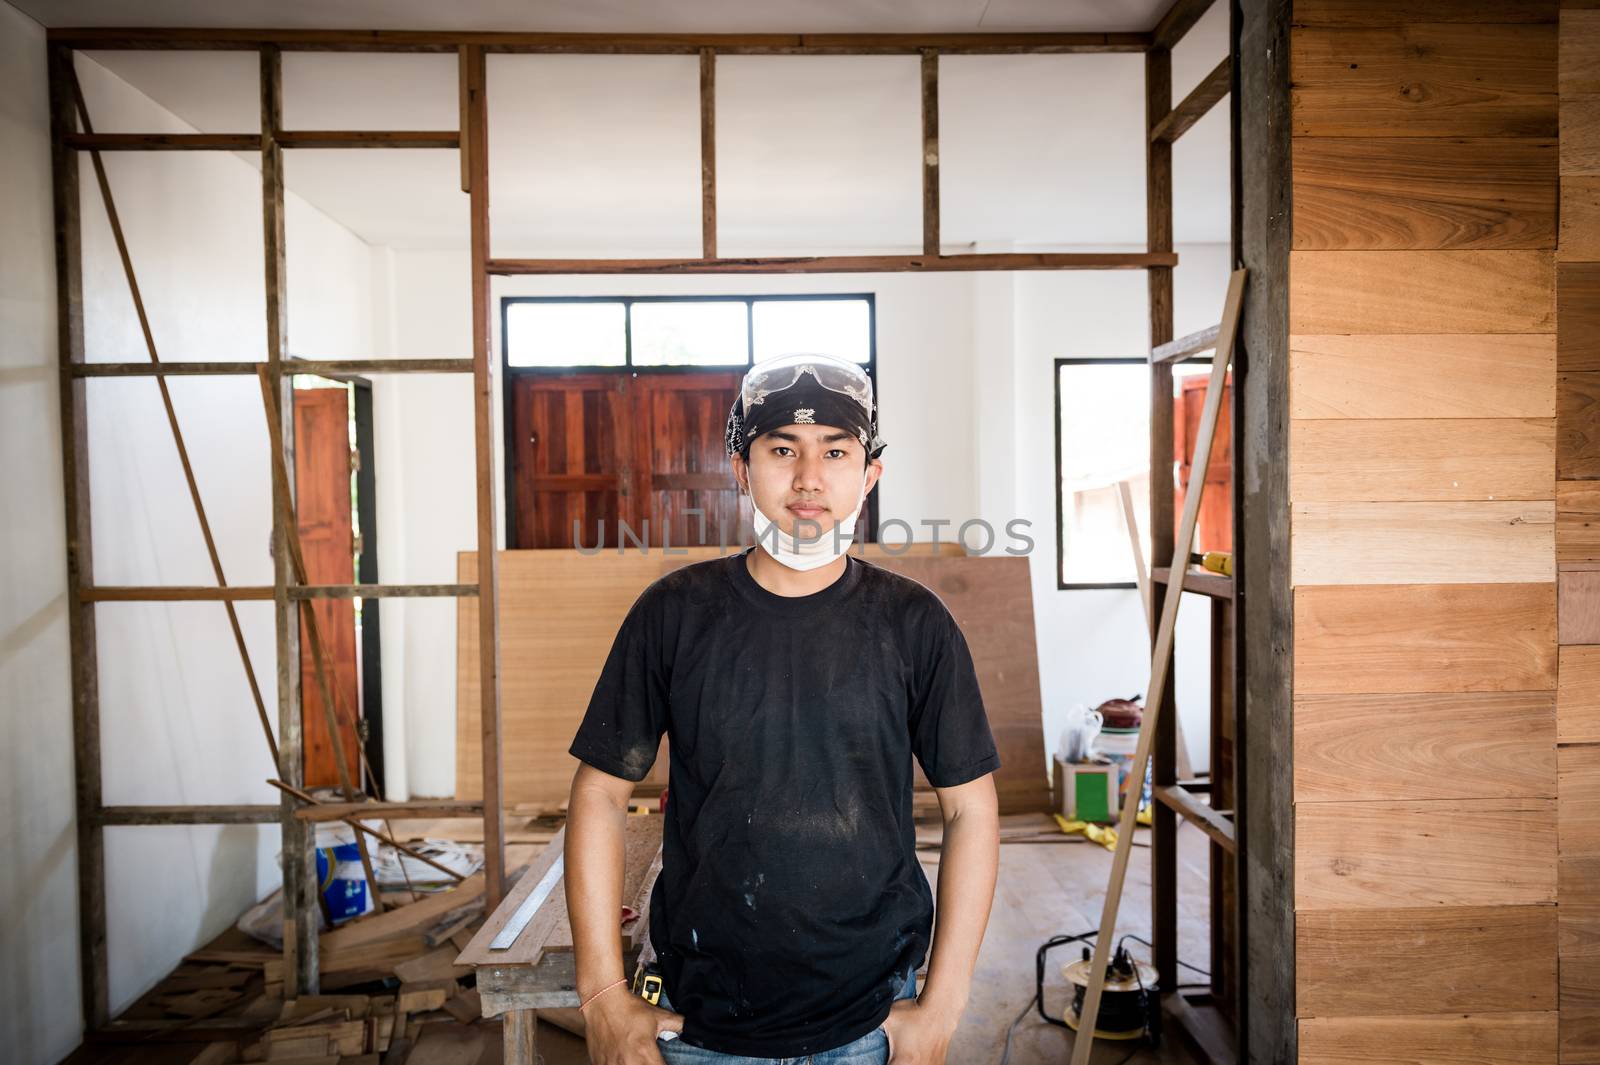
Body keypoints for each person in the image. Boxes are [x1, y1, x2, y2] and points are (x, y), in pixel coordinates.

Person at [564, 353, 1002, 1065]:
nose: (808, 477)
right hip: (699, 1019)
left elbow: (971, 809)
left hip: (870, 1021)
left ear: (869, 474)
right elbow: (600, 793)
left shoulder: (914, 624)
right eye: (781, 450)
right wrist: (603, 995)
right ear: (741, 468)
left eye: (835, 450)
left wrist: (943, 1004)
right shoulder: (675, 614)